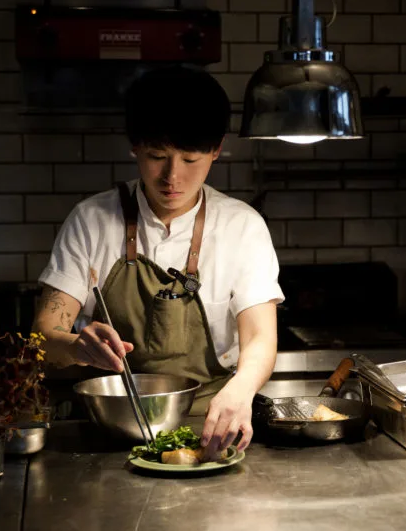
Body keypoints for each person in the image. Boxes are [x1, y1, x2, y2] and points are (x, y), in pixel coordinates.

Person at [34, 66, 283, 455]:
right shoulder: (91, 220)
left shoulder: (241, 227)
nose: (172, 177)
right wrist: (78, 346)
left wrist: (241, 389)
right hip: (111, 428)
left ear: (217, 149)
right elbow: (43, 337)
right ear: (134, 145)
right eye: (157, 156)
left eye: (190, 159)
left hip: (210, 428)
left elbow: (260, 337)